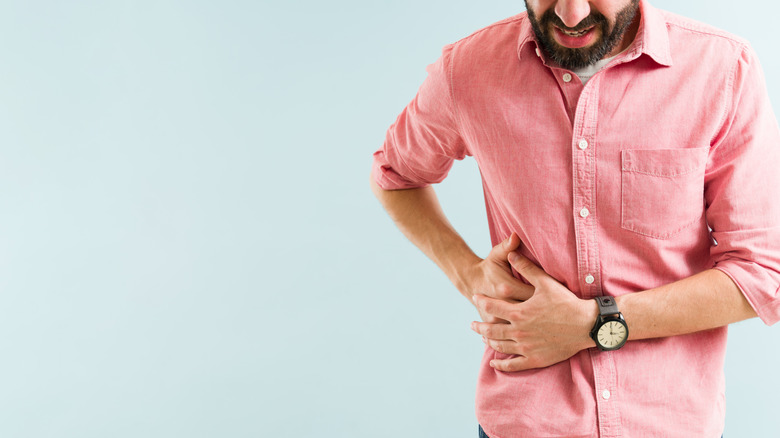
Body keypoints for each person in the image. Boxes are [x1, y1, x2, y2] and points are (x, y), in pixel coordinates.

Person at [369, 0, 780, 436]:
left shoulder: (722, 69)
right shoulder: (469, 68)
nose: (569, 14)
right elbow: (395, 176)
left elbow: (763, 271)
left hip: (668, 422)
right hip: (524, 421)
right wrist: (469, 275)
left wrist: (595, 324)